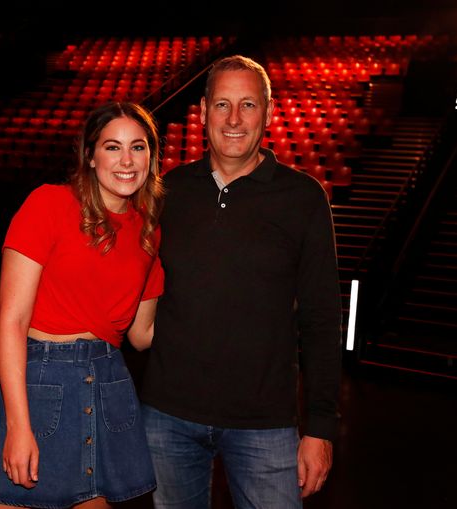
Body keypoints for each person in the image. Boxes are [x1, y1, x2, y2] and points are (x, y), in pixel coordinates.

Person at [139, 55, 343, 508]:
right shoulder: (169, 191)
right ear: (204, 110)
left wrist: (320, 426)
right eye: (223, 105)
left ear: (267, 114)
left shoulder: (304, 199)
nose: (234, 119)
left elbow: (322, 321)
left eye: (248, 105)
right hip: (167, 418)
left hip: (265, 424)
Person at [0, 101, 165, 509]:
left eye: (138, 147)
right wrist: (18, 425)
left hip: (107, 389)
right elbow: (12, 322)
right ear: (90, 155)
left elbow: (142, 335)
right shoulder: (49, 204)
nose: (126, 160)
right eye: (112, 147)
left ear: (151, 156)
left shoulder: (149, 233)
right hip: (37, 383)